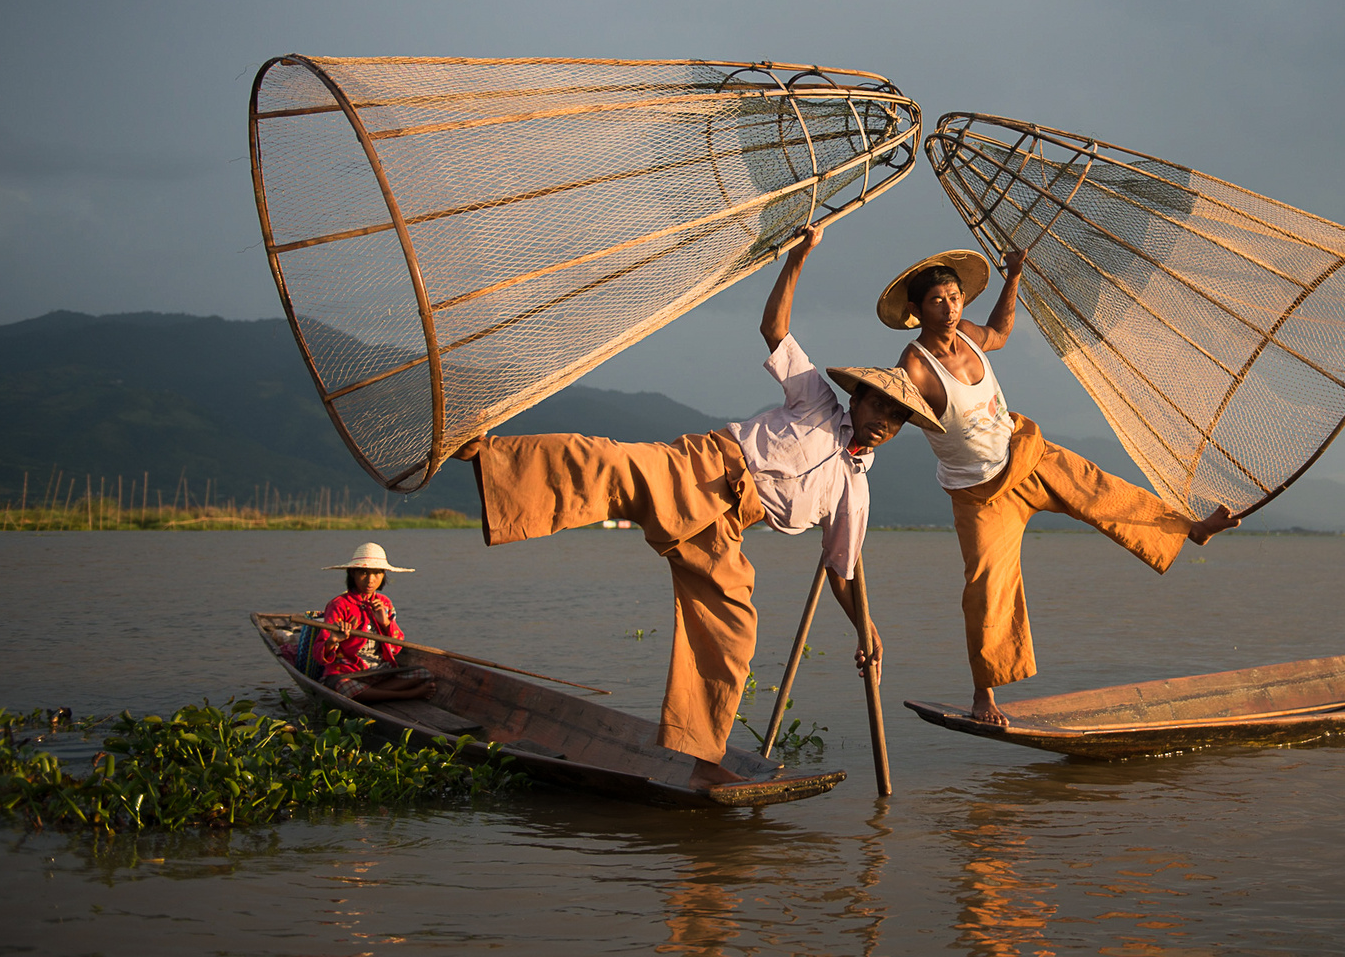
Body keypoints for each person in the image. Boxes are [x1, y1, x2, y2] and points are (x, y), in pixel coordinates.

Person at [453, 221, 942, 790]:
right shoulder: (816, 401)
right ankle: (484, 456)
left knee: (733, 628)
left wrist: (866, 628)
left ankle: (702, 757)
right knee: (608, 465)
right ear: (856, 398)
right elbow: (773, 327)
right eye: (877, 407)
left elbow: (842, 571)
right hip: (703, 468)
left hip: (730, 526)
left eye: (895, 419)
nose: (883, 423)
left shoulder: (854, 489)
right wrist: (799, 258)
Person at [885, 248, 1241, 728]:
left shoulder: (968, 335)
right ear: (918, 310)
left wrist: (1013, 276)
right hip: (981, 493)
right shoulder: (915, 365)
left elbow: (1002, 332)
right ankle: (983, 692)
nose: (950, 308)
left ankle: (1188, 530)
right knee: (987, 585)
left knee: (1100, 490)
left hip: (1025, 454)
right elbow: (885, 413)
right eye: (936, 301)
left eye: (954, 297)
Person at [318, 542, 437, 702]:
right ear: (352, 573)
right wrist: (333, 640)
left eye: (377, 573)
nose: (370, 580)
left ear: (383, 575)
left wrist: (385, 623)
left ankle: (370, 694)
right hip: (348, 672)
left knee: (423, 673)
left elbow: (396, 647)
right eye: (364, 573)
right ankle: (406, 695)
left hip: (379, 671)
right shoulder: (339, 605)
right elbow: (319, 653)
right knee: (344, 687)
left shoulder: (384, 603)